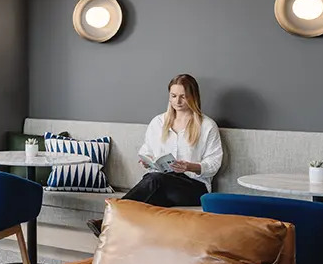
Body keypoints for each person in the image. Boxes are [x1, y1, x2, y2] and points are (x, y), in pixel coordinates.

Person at [87, 73, 224, 237]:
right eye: (173, 96)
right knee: (152, 191)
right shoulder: (158, 123)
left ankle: (107, 220)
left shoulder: (207, 126)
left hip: (194, 187)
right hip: (162, 182)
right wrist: (146, 161)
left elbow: (214, 163)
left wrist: (189, 166)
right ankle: (118, 233)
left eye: (183, 96)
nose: (177, 102)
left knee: (154, 181)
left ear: (193, 96)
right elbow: (146, 151)